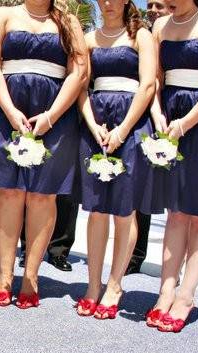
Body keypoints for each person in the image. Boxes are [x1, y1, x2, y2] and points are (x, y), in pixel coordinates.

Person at [0, 0, 87, 308]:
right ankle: (4, 275)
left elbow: (79, 71)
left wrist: (52, 116)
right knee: (10, 192)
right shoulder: (4, 15)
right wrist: (10, 110)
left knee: (43, 195)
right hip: (7, 110)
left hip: (56, 114)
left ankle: (31, 276)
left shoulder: (68, 21)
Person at [75, 0, 156, 318]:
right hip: (97, 124)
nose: (107, 3)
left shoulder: (142, 36)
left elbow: (148, 84)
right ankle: (93, 285)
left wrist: (122, 131)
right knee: (96, 210)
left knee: (124, 210)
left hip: (131, 124)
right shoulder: (90, 39)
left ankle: (114, 285)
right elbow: (80, 86)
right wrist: (93, 125)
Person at [146, 0, 198, 333]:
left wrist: (186, 122)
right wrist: (157, 113)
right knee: (175, 212)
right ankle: (166, 291)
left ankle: (186, 296)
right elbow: (154, 80)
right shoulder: (160, 27)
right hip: (169, 120)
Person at [126, 0, 170, 275]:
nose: (153, 8)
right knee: (139, 189)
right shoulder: (139, 35)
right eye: (150, 3)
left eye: (161, 5)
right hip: (145, 114)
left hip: (175, 112)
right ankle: (134, 255)